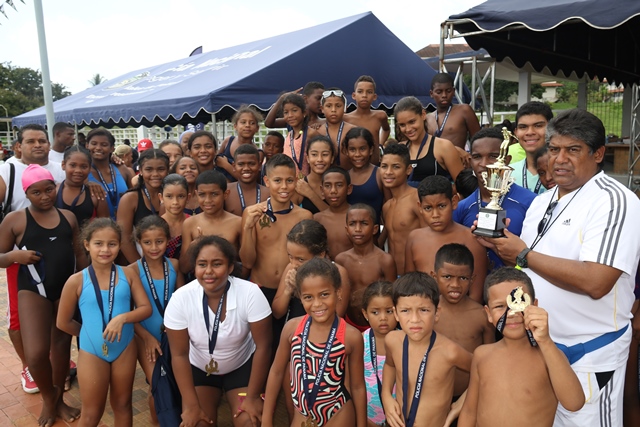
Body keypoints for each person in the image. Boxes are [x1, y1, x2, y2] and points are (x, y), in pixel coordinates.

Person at [477, 109, 640, 426]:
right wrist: (502, 246)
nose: (560, 159)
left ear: (598, 154)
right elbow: (530, 268)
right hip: (540, 346)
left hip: (589, 355)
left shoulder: (614, 201)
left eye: (573, 150)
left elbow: (596, 282)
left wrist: (523, 254)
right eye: (554, 149)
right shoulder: (543, 201)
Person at [0, 164, 84, 427]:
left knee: (61, 348)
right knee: (36, 355)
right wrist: (14, 256)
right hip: (33, 290)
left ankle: (58, 400)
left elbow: (79, 253)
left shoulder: (68, 217)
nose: (45, 196)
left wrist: (86, 284)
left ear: (54, 187)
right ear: (26, 193)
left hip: (65, 289)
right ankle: (49, 397)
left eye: (49, 190)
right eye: (36, 192)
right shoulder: (15, 220)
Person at [164, 235, 272, 427]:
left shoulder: (250, 293)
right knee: (198, 423)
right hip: (199, 369)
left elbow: (264, 346)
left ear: (230, 267)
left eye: (217, 264)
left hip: (241, 367)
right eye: (202, 264)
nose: (208, 271)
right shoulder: (180, 299)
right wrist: (191, 406)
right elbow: (179, 355)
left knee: (250, 422)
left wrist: (253, 396)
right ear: (194, 267)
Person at [458, 268, 584, 427]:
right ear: (488, 313)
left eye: (519, 303)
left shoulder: (549, 356)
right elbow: (469, 411)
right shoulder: (482, 355)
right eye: (500, 306)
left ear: (534, 306)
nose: (511, 313)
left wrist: (545, 341)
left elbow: (574, 403)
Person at [57, 218, 152, 427]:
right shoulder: (76, 280)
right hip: (92, 351)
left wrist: (123, 318)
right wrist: (89, 333)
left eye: (112, 244)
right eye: (98, 244)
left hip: (124, 348)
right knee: (92, 413)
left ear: (119, 245)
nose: (105, 250)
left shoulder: (128, 274)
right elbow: (63, 322)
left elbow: (146, 308)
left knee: (123, 405)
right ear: (87, 245)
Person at [0, 124, 67, 393]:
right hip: (23, 261)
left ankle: (55, 368)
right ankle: (29, 366)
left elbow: (78, 181)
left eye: (42, 140)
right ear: (19, 146)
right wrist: (12, 254)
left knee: (56, 324)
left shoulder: (59, 169)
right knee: (19, 318)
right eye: (31, 141)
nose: (38, 145)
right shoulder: (8, 170)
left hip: (57, 263)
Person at [262, 257, 367, 427]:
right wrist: (266, 420)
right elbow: (276, 372)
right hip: (302, 416)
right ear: (300, 298)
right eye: (308, 297)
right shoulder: (292, 329)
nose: (317, 304)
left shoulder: (351, 336)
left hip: (337, 414)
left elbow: (357, 386)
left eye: (324, 294)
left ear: (338, 293)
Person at [381, 272, 472, 427]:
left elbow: (482, 370)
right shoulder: (392, 340)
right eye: (405, 310)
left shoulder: (450, 352)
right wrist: (386, 395)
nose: (415, 319)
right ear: (395, 313)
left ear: (437, 313)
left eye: (423, 310)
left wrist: (462, 403)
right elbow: (390, 365)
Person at [453, 127, 535, 270]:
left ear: (507, 161)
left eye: (493, 156)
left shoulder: (531, 202)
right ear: (470, 161)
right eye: (477, 157)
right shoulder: (462, 207)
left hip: (518, 281)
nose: (484, 164)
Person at [130, 216, 183, 424]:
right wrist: (146, 337)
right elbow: (127, 313)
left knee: (176, 383)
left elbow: (183, 300)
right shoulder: (132, 271)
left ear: (168, 240)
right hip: (145, 337)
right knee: (158, 386)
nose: (154, 247)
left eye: (159, 241)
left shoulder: (175, 265)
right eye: (147, 242)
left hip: (173, 336)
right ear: (139, 242)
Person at [240, 154, 313, 304]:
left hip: (293, 289)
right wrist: (248, 228)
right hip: (260, 288)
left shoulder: (305, 216)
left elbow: (309, 259)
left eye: (289, 181)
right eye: (277, 181)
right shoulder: (252, 213)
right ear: (267, 181)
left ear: (296, 181)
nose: (284, 186)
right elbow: (247, 262)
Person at [405, 176, 487, 302]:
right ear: (420, 207)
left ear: (454, 202)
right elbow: (409, 286)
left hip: (462, 312)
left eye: (441, 206)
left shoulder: (472, 239)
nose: (435, 215)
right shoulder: (414, 238)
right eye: (428, 208)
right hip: (423, 310)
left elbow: (476, 296)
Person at [431, 244, 494, 401]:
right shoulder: (426, 313)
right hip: (431, 395)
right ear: (434, 276)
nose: (455, 285)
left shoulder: (482, 315)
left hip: (470, 397)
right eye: (447, 277)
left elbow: (489, 361)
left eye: (463, 278)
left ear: (472, 280)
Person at [272, 219, 350, 321]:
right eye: (290, 256)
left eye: (301, 259)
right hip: (297, 327)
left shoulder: (338, 273)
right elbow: (277, 313)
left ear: (320, 255)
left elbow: (337, 316)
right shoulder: (291, 269)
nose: (294, 264)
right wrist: (288, 290)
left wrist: (300, 289)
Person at [335, 204, 396, 331]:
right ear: (346, 229)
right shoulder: (341, 260)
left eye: (364, 223)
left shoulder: (385, 260)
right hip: (349, 323)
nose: (358, 229)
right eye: (352, 224)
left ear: (375, 229)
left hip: (378, 326)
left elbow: (393, 298)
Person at [179, 170, 242, 273]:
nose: (208, 200)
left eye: (214, 194)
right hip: (200, 280)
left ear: (226, 194)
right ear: (196, 194)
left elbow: (247, 263)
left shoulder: (238, 223)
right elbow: (184, 268)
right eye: (202, 194)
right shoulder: (189, 224)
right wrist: (195, 245)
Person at [395, 96, 463, 185]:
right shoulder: (399, 150)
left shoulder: (444, 147)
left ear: (423, 115)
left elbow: (462, 186)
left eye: (412, 122)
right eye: (402, 125)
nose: (408, 129)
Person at [117, 149, 169, 263]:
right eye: (149, 169)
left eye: (161, 169)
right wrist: (142, 268)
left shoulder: (173, 196)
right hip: (138, 262)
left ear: (168, 170)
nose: (155, 174)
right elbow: (124, 239)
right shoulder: (130, 199)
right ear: (140, 170)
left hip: (169, 261)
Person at [380, 143, 424, 275]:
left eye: (396, 167)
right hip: (394, 277)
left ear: (408, 170)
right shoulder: (387, 206)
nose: (388, 172)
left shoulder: (416, 199)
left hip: (416, 277)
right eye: (384, 166)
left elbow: (431, 238)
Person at [361, 281, 397, 426]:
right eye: (375, 312)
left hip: (400, 418)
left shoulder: (406, 342)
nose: (383, 318)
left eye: (389, 311)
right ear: (365, 314)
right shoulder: (360, 342)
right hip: (368, 419)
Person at [426, 73, 480, 151]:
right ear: (431, 94)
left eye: (448, 91)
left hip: (458, 158)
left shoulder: (464, 110)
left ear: (453, 91)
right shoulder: (428, 118)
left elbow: (478, 140)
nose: (444, 95)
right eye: (439, 92)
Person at [86, 129, 134, 219]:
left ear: (112, 148)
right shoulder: (84, 174)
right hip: (99, 226)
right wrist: (86, 184)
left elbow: (136, 198)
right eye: (94, 144)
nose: (98, 148)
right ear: (87, 145)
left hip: (126, 224)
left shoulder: (122, 169)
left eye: (104, 145)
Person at [57, 146, 110, 225]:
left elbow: (105, 226)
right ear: (63, 165)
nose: (78, 170)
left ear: (90, 168)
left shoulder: (96, 194)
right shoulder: (54, 191)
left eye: (84, 167)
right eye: (73, 165)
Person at [344, 76, 391, 165]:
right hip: (353, 168)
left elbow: (386, 129)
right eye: (360, 91)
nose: (364, 95)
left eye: (369, 92)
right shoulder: (345, 118)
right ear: (354, 95)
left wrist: (380, 144)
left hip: (374, 166)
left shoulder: (380, 116)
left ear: (374, 96)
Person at [509, 101, 553, 194]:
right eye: (523, 127)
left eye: (538, 126)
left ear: (552, 128)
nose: (530, 132)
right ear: (516, 132)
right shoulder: (507, 174)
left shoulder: (565, 172)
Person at [344, 127, 386, 223]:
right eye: (352, 149)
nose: (357, 154)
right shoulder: (344, 177)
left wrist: (384, 232)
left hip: (375, 231)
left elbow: (389, 208)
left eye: (362, 149)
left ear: (371, 150)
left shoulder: (380, 174)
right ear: (346, 151)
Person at [267, 93, 313, 177]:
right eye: (286, 112)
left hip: (305, 181)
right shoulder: (290, 134)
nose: (290, 115)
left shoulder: (311, 133)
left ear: (304, 112)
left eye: (294, 110)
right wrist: (281, 98)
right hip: (288, 180)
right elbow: (268, 123)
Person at [314, 167, 353, 260]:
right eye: (328, 186)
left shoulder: (357, 216)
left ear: (349, 189)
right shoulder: (317, 219)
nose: (333, 191)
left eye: (339, 185)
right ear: (322, 190)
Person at [216, 106, 263, 182]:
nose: (247, 125)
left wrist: (225, 165)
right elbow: (218, 160)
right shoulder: (228, 141)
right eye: (243, 122)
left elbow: (250, 178)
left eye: (252, 123)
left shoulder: (258, 152)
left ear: (257, 128)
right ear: (235, 126)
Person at [225, 144, 269, 217]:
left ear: (259, 166)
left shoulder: (268, 193)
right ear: (234, 166)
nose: (246, 168)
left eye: (251, 164)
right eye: (241, 164)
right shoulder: (225, 191)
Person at [316, 88, 356, 169]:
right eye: (329, 106)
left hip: (350, 175)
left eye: (338, 106)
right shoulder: (317, 131)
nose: (333, 110)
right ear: (322, 109)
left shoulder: (354, 131)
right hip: (325, 176)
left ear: (345, 108)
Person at [292, 135, 333, 214]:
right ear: (307, 158)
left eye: (325, 154)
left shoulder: (337, 185)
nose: (320, 159)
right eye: (314, 154)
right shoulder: (299, 186)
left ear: (332, 158)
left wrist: (310, 194)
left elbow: (336, 217)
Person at [159, 173, 190, 260]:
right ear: (161, 197)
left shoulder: (194, 223)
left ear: (188, 197)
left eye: (181, 196)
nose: (175, 202)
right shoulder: (155, 226)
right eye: (169, 196)